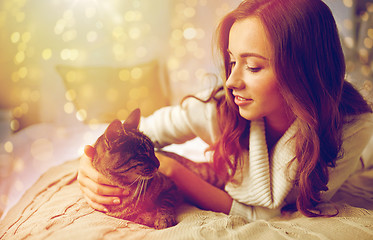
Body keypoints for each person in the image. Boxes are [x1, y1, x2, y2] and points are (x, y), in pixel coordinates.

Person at [77, 0, 373, 221]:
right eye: (232, 62)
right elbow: (138, 134)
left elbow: (267, 216)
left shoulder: (350, 128)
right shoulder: (217, 107)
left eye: (253, 66)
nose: (231, 81)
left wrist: (174, 171)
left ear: (303, 71)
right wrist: (88, 163)